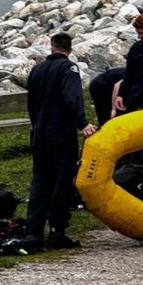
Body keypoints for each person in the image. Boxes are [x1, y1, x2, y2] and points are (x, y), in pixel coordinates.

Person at [22, 33, 97, 251]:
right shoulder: (69, 69)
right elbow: (72, 97)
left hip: (40, 132)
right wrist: (82, 122)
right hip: (61, 133)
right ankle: (57, 231)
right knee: (61, 182)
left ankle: (33, 233)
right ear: (69, 50)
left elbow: (32, 104)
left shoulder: (37, 70)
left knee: (40, 182)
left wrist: (37, 126)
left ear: (51, 47)